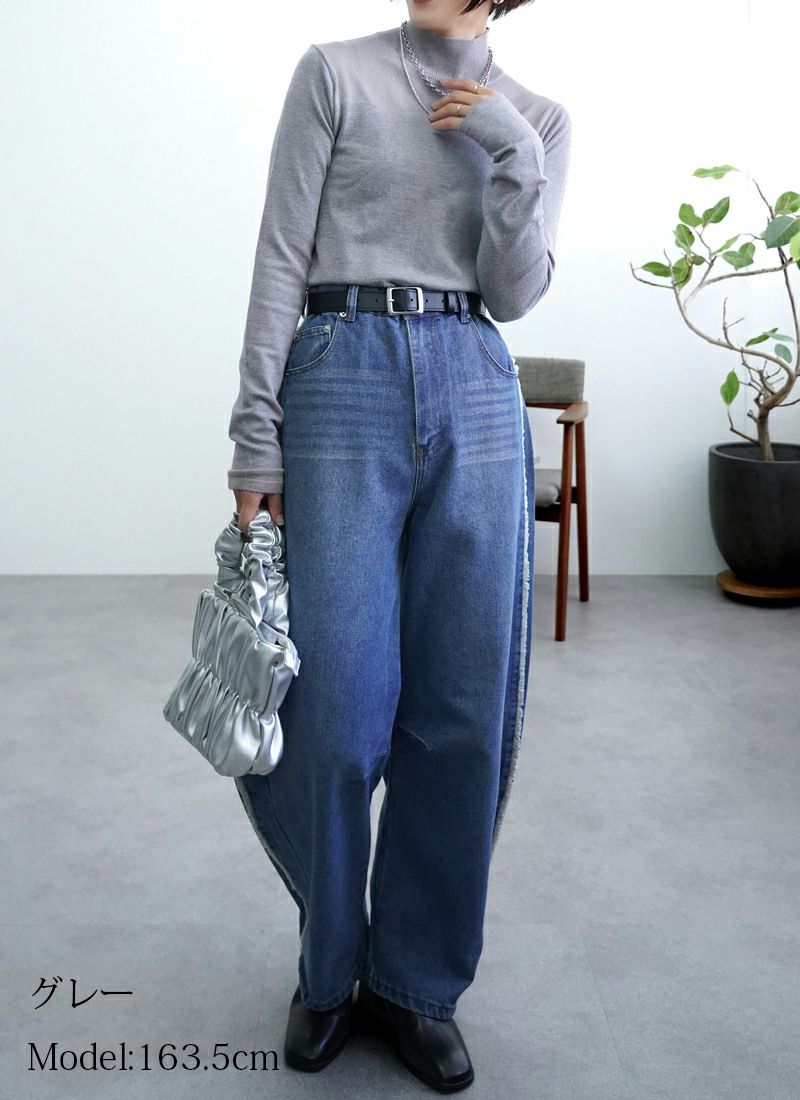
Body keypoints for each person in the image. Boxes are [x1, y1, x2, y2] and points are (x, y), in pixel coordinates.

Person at [227, 0, 571, 1091]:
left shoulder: (539, 119)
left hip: (476, 384)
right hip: (341, 376)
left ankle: (416, 984)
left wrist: (511, 155)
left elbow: (514, 293)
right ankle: (329, 969)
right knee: (335, 704)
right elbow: (280, 258)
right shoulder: (333, 74)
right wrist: (253, 443)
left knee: (462, 713)